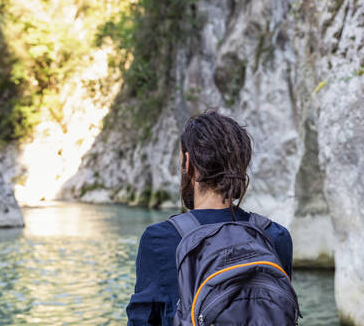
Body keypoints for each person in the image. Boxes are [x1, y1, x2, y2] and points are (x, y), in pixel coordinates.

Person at [126, 110, 293, 325]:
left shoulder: (160, 239)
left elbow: (141, 321)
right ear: (241, 166)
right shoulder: (275, 236)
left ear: (188, 164)